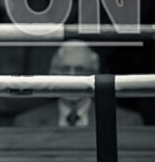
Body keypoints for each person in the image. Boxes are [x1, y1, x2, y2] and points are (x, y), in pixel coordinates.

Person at [14, 40, 143, 127]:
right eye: (64, 69)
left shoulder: (125, 122)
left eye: (80, 69)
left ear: (95, 74)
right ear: (52, 74)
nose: (72, 77)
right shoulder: (26, 123)